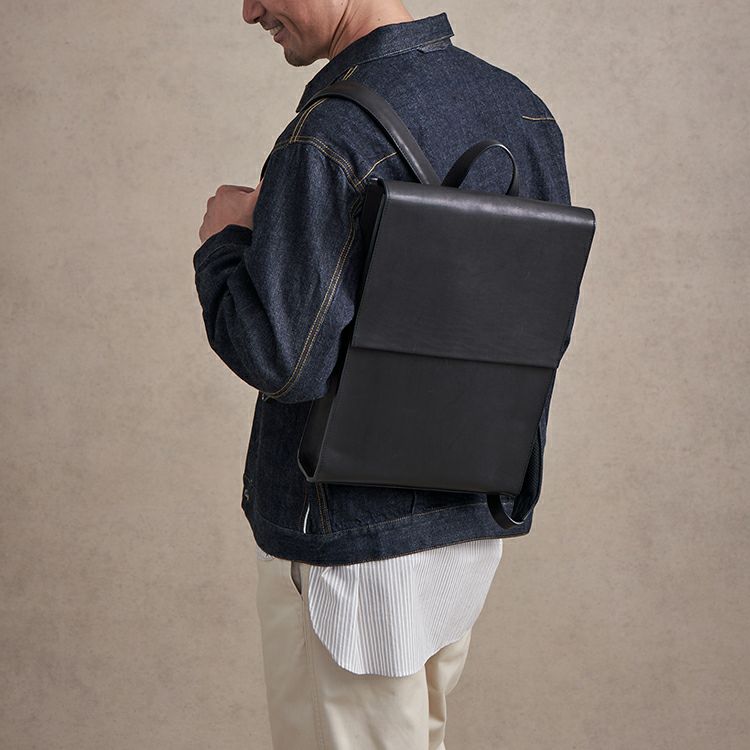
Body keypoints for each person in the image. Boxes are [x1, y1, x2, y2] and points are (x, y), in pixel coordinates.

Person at [193, 3, 572, 748]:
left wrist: (226, 244)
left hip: (353, 549)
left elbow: (280, 359)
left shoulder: (332, 133)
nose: (249, 10)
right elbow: (530, 320)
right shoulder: (521, 109)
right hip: (466, 520)